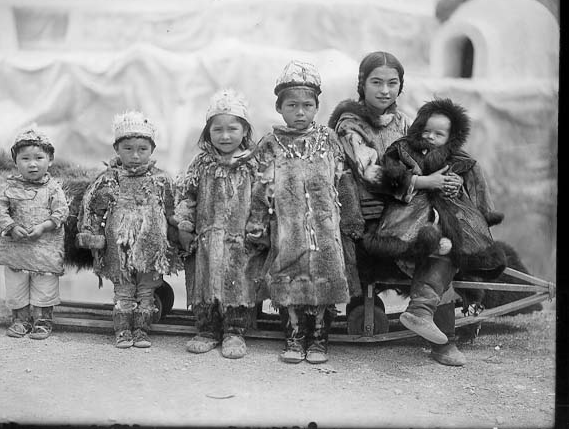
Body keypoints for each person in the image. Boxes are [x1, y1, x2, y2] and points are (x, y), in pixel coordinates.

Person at [328, 51, 468, 366]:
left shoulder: (403, 121)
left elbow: (420, 162)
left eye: (393, 83)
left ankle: (428, 321)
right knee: (438, 242)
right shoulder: (350, 125)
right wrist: (424, 183)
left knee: (449, 230)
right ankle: (442, 339)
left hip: (404, 208)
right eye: (376, 82)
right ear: (362, 84)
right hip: (369, 218)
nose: (385, 90)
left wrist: (445, 180)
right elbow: (371, 172)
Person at [363, 98, 506, 345]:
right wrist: (421, 181)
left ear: (452, 137)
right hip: (407, 220)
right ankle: (423, 312)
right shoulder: (402, 150)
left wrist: (463, 193)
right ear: (417, 127)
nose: (430, 137)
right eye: (426, 130)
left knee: (450, 245)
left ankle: (421, 311)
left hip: (450, 218)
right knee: (430, 241)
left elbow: (478, 188)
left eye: (439, 133)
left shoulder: (462, 160)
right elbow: (388, 179)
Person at [246, 60, 350, 364]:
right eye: (292, 105)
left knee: (325, 276)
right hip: (286, 226)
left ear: (317, 107)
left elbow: (341, 179)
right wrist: (257, 223)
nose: (300, 112)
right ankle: (293, 337)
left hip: (325, 228)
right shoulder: (270, 143)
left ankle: (319, 339)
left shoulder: (328, 140)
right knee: (287, 275)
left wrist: (348, 218)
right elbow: (260, 186)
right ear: (280, 108)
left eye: (307, 105)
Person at [77, 111, 182, 349]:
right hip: (119, 248)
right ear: (116, 148)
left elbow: (173, 210)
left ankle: (142, 329)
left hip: (150, 247)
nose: (135, 155)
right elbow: (92, 207)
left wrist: (178, 235)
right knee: (124, 289)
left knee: (147, 289)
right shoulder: (109, 180)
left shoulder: (161, 181)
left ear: (151, 150)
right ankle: (123, 330)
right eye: (128, 148)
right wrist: (92, 234)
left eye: (142, 149)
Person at [175, 88, 259, 359]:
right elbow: (187, 196)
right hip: (207, 239)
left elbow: (262, 199)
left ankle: (235, 331)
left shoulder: (253, 164)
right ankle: (207, 329)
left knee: (239, 282)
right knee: (204, 283)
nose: (225, 136)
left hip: (241, 240)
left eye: (232, 129)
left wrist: (259, 229)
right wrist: (185, 225)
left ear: (244, 131)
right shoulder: (201, 164)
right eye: (217, 130)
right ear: (207, 133)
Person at [0, 129, 69, 340]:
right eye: (25, 159)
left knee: (44, 284)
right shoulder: (9, 187)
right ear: (16, 162)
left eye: (39, 158)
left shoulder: (53, 188)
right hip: (17, 248)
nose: (32, 164)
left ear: (50, 160)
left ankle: (42, 321)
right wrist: (11, 226)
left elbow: (61, 211)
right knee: (17, 284)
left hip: (45, 248)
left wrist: (44, 226)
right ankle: (20, 320)